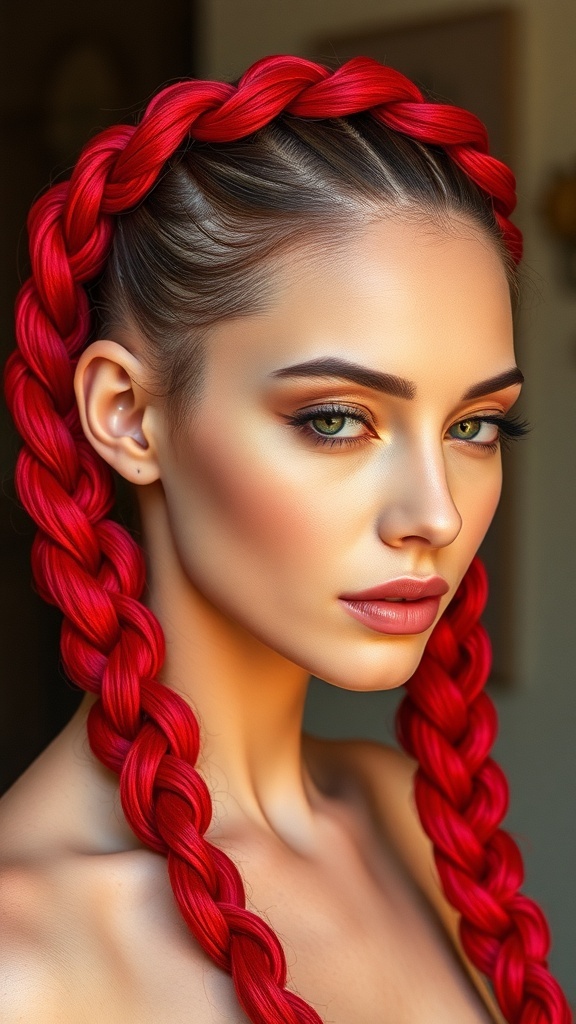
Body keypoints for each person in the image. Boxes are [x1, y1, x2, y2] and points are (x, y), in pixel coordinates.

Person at [1, 55, 571, 1024]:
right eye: (337, 419)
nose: (433, 512)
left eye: (475, 425)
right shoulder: (23, 959)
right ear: (128, 415)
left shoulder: (413, 820)